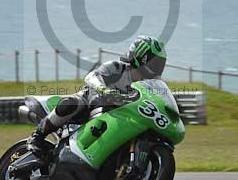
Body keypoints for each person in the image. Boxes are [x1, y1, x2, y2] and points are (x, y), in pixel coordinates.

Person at [27, 35, 167, 153]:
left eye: (160, 64)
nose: (157, 67)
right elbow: (91, 77)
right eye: (155, 62)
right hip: (90, 102)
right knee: (70, 103)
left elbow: (159, 99)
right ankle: (37, 137)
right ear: (142, 57)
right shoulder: (117, 68)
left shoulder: (150, 84)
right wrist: (104, 89)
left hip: (120, 114)